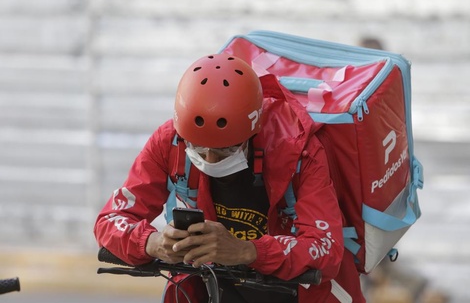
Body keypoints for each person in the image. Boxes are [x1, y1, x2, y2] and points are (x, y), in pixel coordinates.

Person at [94, 54, 365, 302]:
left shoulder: (298, 150)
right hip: (212, 289)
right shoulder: (170, 141)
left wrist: (248, 251)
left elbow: (325, 249)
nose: (210, 160)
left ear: (253, 131)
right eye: (198, 148)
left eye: (225, 149)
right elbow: (109, 221)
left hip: (297, 293)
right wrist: (153, 244)